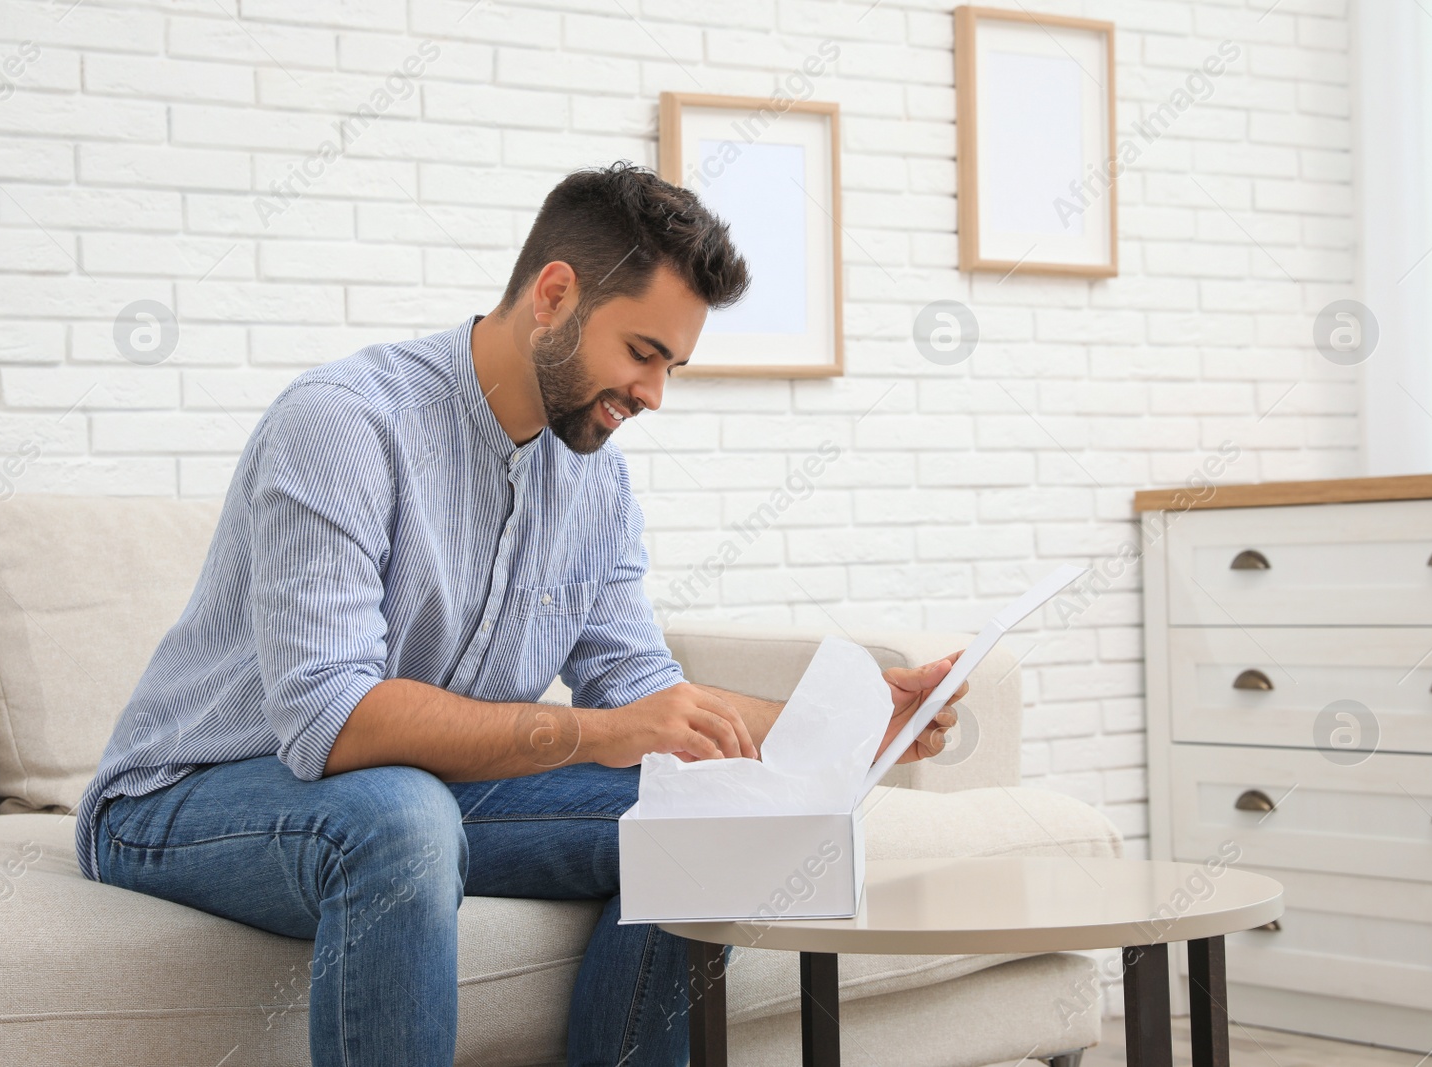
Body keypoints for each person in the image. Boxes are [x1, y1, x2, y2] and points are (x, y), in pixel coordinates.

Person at [74, 161, 967, 1067]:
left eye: (673, 366)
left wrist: (859, 722)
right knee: (403, 818)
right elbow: (330, 722)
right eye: (642, 352)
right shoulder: (345, 422)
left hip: (418, 781)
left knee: (708, 816)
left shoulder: (595, 480)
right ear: (554, 296)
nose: (655, 393)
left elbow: (648, 697)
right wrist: (600, 731)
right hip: (185, 795)